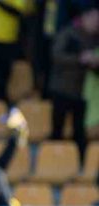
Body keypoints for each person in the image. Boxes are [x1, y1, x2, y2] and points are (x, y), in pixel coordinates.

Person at [49, 5, 99, 159]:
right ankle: (53, 160)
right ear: (84, 17)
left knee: (79, 134)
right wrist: (80, 60)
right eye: (94, 19)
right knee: (58, 129)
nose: (96, 22)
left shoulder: (95, 38)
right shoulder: (68, 33)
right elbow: (56, 56)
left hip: (81, 92)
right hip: (62, 89)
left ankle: (80, 164)